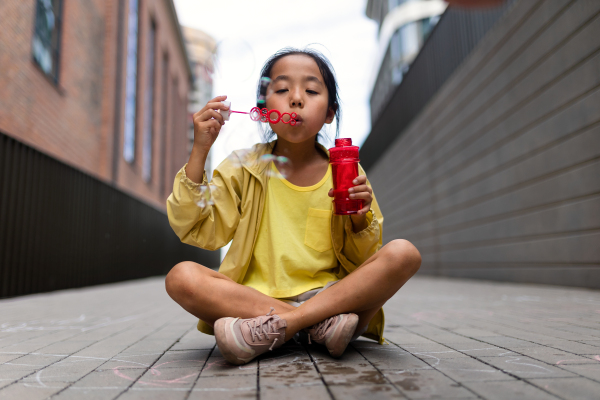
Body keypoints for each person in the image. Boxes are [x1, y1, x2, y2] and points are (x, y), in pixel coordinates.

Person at [165, 48, 421, 365]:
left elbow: (365, 265)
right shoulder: (242, 168)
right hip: (255, 303)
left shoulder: (345, 171)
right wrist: (199, 150)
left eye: (311, 90)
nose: (296, 99)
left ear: (330, 112)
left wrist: (358, 222)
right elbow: (199, 229)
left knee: (403, 253)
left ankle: (276, 329)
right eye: (282, 89)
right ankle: (314, 328)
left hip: (332, 299)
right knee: (181, 277)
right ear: (263, 107)